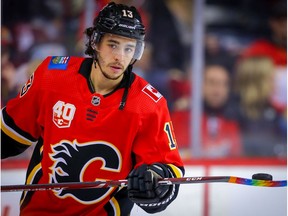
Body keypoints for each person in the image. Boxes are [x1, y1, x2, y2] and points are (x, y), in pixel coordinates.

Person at [1, 2, 184, 215]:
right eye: (113, 44)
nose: (120, 57)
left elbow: (168, 175)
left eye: (129, 48)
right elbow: (9, 135)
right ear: (95, 41)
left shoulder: (148, 105)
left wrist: (153, 180)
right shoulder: (52, 76)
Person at [170, 63, 242, 158]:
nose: (217, 91)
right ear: (200, 85)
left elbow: (237, 157)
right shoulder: (181, 117)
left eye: (222, 84)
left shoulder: (233, 122)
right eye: (212, 83)